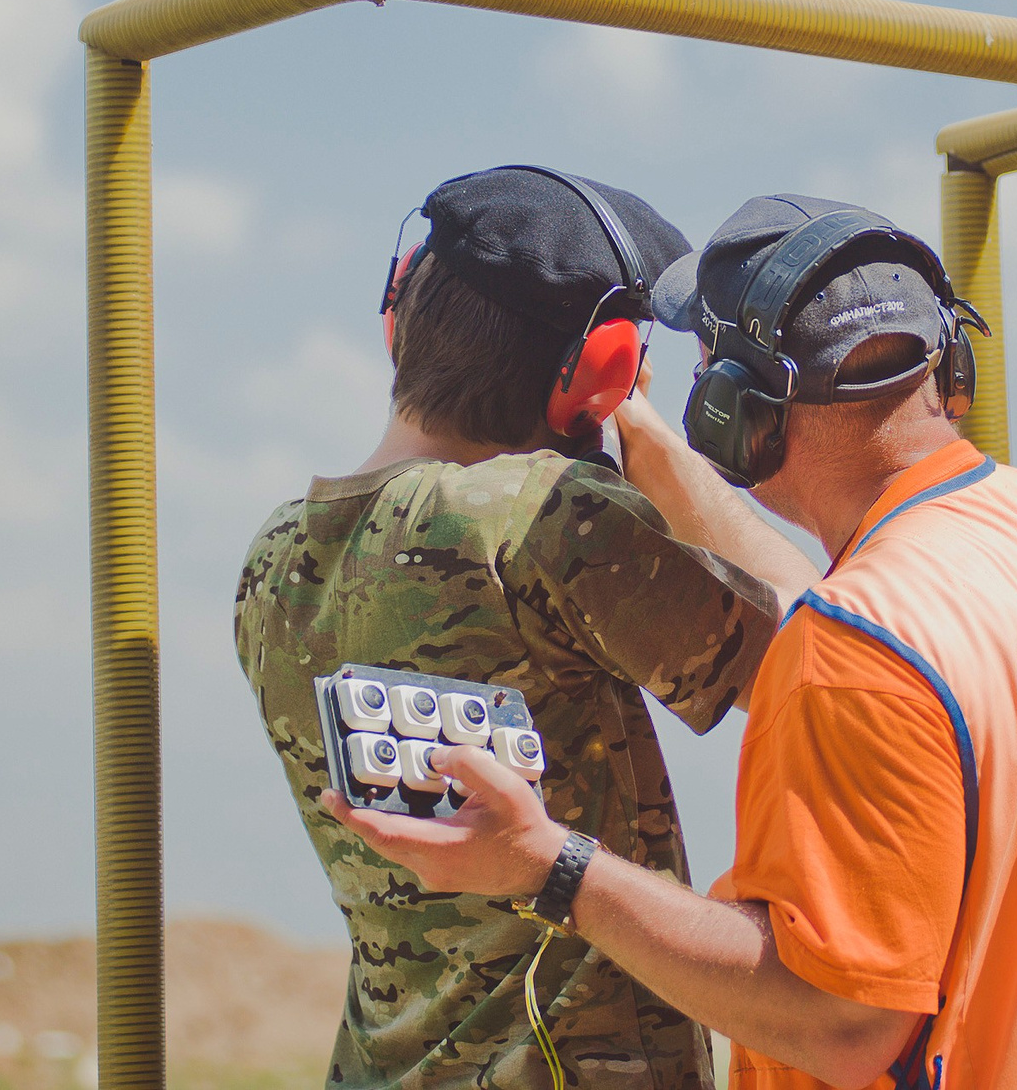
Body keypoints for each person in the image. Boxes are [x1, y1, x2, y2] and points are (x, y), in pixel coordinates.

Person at [332, 195, 1017, 1090]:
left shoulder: (859, 645)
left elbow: (843, 1024)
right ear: (946, 363)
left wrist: (553, 865)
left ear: (739, 411)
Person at [234, 167, 813, 1090]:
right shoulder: (542, 517)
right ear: (600, 374)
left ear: (400, 315)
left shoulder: (273, 557)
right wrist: (653, 443)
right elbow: (832, 656)